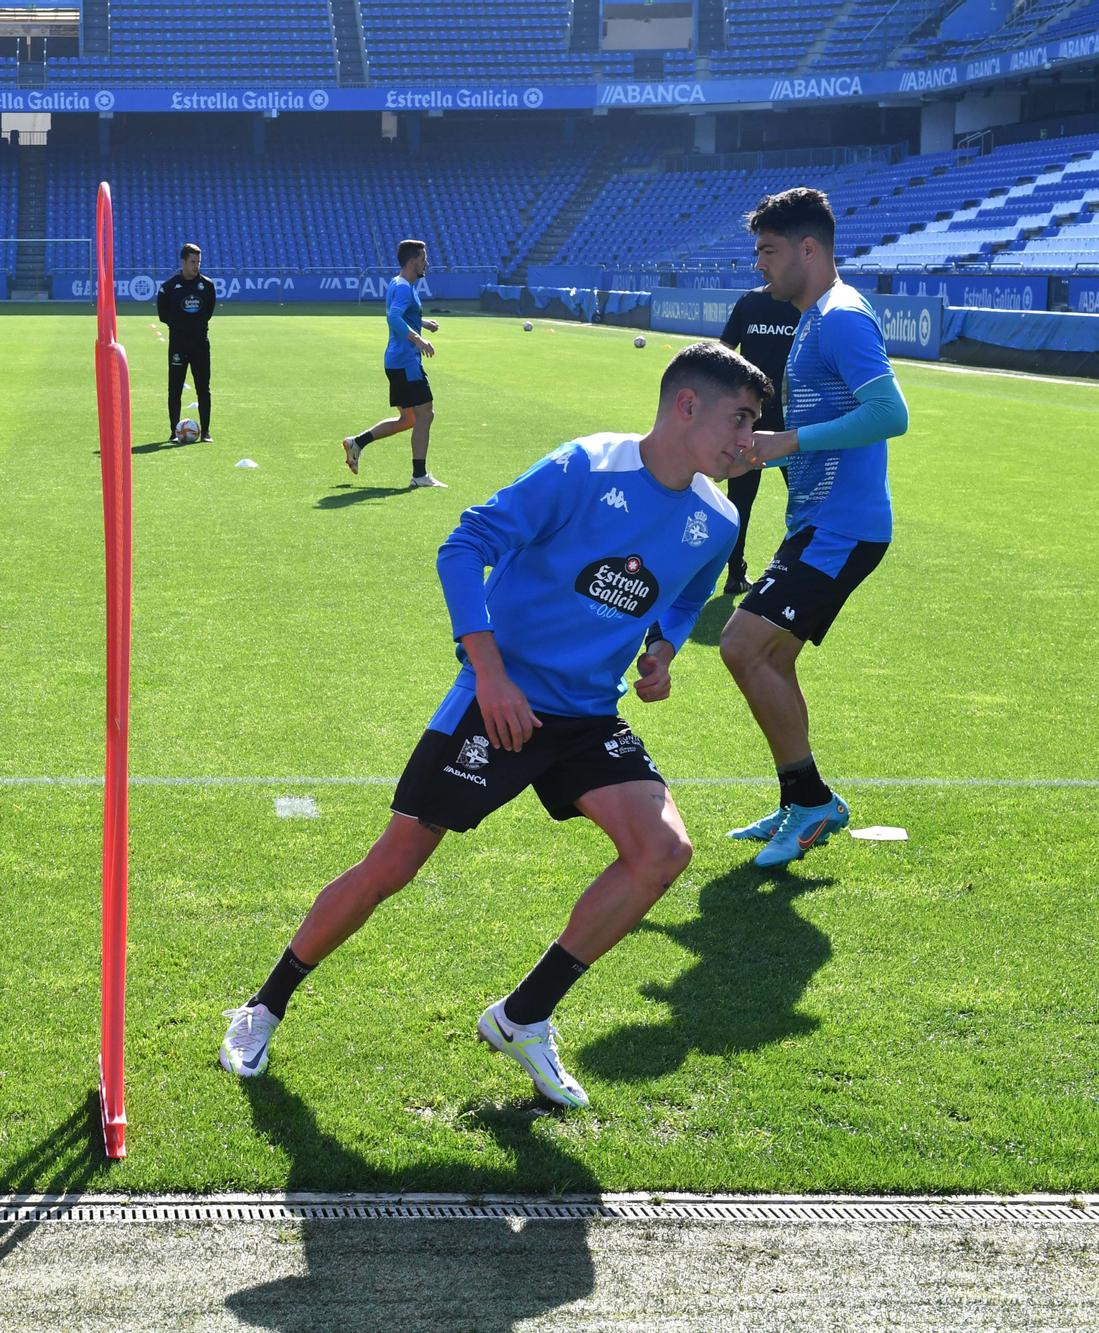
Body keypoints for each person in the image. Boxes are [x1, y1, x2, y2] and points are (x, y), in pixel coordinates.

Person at [221, 341, 766, 1109]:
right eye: (740, 419)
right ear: (686, 406)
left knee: (663, 849)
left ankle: (524, 1015)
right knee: (394, 864)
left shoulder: (714, 517)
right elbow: (464, 545)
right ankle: (262, 1005)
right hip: (499, 697)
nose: (750, 440)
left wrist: (664, 651)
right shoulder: (584, 467)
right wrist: (492, 674)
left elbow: (684, 594)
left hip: (586, 714)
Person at [721, 187, 909, 869]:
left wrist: (789, 442)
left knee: (743, 646)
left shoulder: (842, 318)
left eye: (768, 251)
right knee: (769, 656)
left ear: (809, 248)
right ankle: (799, 797)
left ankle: (811, 801)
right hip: (817, 522)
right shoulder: (812, 317)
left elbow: (891, 413)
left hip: (844, 527)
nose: (760, 266)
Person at [716, 283, 800, 593]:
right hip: (792, 420)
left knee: (739, 501)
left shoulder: (749, 302)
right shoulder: (800, 301)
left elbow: (722, 353)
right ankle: (791, 572)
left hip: (750, 417)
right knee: (805, 500)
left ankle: (735, 574)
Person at [342, 239, 443, 488]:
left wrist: (423, 323)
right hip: (406, 362)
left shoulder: (399, 284)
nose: (426, 264)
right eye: (423, 259)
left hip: (396, 361)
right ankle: (419, 476)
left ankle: (357, 442)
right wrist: (419, 339)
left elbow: (403, 315)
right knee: (425, 414)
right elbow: (394, 317)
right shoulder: (404, 288)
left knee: (409, 419)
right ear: (412, 262)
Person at [157, 243, 215, 442]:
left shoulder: (207, 286)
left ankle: (205, 431)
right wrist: (181, 325)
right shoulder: (169, 288)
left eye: (198, 262)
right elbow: (162, 315)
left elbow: (208, 312)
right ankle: (174, 431)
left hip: (200, 344)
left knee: (203, 388)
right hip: (178, 345)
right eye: (192, 262)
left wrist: (194, 325)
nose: (196, 266)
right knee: (174, 388)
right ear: (183, 261)